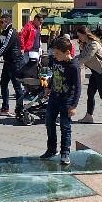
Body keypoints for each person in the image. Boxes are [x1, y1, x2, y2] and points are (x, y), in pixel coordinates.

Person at [40, 36, 80, 166]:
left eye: (57, 53)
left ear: (67, 53)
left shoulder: (74, 66)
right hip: (54, 98)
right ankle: (51, 149)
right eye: (54, 53)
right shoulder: (57, 61)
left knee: (65, 126)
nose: (55, 56)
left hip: (66, 100)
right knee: (49, 123)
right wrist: (48, 87)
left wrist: (74, 105)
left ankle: (65, 152)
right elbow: (54, 76)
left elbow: (78, 87)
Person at [0, 13, 24, 117]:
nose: (0, 24)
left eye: (1, 22)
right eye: (0, 22)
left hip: (15, 62)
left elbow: (4, 47)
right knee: (3, 83)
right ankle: (5, 108)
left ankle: (19, 109)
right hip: (8, 62)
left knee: (17, 86)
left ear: (7, 22)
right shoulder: (4, 32)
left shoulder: (11, 32)